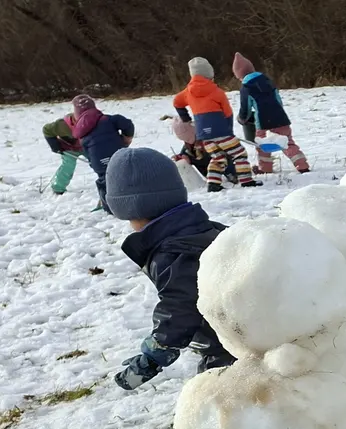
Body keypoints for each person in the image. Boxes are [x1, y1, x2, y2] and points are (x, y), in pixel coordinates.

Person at [104, 147, 237, 390]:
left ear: (131, 208)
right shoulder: (206, 229)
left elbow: (180, 307)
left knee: (219, 395)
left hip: (227, 346)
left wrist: (153, 357)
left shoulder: (174, 252)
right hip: (245, 333)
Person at [173, 57, 260, 192]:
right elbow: (228, 113)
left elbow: (177, 102)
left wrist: (185, 117)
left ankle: (213, 184)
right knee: (239, 153)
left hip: (203, 135)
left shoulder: (187, 92)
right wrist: (228, 130)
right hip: (221, 131)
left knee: (218, 158)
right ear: (209, 75)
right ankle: (246, 181)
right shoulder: (217, 92)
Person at [232, 52, 311, 174]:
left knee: (262, 145)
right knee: (287, 142)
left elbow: (245, 108)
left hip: (263, 122)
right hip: (281, 118)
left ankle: (265, 168)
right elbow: (278, 99)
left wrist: (242, 119)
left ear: (240, 75)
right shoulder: (267, 81)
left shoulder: (246, 88)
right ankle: (302, 165)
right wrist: (278, 112)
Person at [66, 94, 134, 212]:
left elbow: (86, 150)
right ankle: (132, 200)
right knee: (126, 174)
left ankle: (109, 208)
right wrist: (127, 137)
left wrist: (93, 163)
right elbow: (127, 124)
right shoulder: (107, 119)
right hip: (118, 154)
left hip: (99, 161)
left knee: (104, 181)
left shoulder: (81, 131)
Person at [40, 116, 83, 195]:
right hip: (68, 148)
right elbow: (47, 129)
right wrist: (54, 145)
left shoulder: (96, 123)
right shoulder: (62, 125)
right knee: (68, 165)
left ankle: (106, 181)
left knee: (99, 162)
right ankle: (58, 188)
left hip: (87, 146)